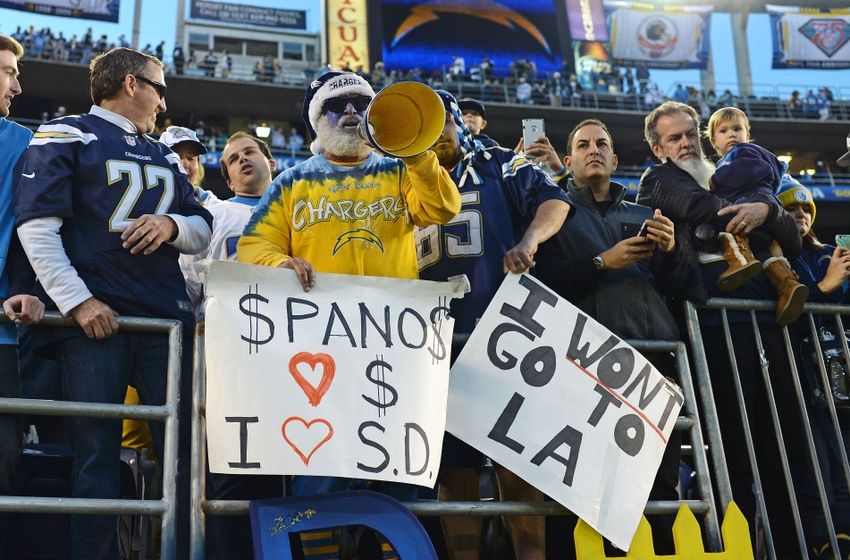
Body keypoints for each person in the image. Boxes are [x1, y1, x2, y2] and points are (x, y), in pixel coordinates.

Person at [13, 47, 212, 559]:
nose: (164, 101)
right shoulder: (67, 132)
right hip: (94, 323)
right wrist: (79, 303)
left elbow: (202, 228)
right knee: (94, 455)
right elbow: (37, 229)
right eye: (159, 88)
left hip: (164, 320)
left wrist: (172, 225)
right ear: (131, 84)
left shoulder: (165, 153)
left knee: (185, 455)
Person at [637, 100, 809, 556]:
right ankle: (739, 548)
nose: (687, 142)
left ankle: (793, 547)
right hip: (712, 328)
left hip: (770, 325)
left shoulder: (725, 172)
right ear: (659, 149)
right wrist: (758, 208)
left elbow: (793, 237)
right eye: (675, 138)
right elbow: (698, 208)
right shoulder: (658, 181)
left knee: (785, 444)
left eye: (692, 133)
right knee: (732, 447)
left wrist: (769, 214)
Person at [417, 91, 571, 559]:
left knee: (518, 465)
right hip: (430, 343)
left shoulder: (500, 161)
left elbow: (555, 202)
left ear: (459, 123)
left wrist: (528, 241)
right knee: (452, 475)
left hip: (501, 334)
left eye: (442, 122)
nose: (436, 134)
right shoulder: (402, 176)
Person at [532, 119, 681, 554]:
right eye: (583, 144)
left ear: (615, 159)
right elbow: (540, 279)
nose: (593, 149)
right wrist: (601, 262)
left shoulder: (647, 216)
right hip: (584, 370)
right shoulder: (553, 214)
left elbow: (685, 286)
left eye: (602, 144)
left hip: (653, 368)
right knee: (579, 488)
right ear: (570, 160)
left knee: (658, 490)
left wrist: (672, 251)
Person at [238, 70, 460, 290]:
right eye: (336, 105)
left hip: (392, 318)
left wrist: (415, 153)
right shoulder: (291, 182)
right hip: (317, 317)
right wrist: (279, 263)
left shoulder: (401, 171)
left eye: (362, 103)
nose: (351, 110)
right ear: (319, 120)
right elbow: (255, 244)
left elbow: (443, 209)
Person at [777, 180, 850, 558]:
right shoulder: (775, 257)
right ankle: (824, 538)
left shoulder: (829, 253)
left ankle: (844, 534)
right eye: (790, 210)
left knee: (843, 456)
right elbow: (787, 309)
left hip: (840, 370)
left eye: (805, 210)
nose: (800, 215)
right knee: (813, 460)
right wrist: (824, 288)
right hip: (799, 371)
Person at [0, 33, 46, 558]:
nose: (16, 83)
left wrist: (28, 288)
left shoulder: (24, 143)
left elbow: (39, 227)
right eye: (8, 71)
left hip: (3, 339)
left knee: (4, 462)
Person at [705, 106, 808, 325]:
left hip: (750, 200)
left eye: (737, 129)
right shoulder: (742, 156)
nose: (732, 134)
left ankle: (740, 262)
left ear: (748, 136)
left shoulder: (743, 153)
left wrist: (716, 181)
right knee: (772, 252)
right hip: (764, 206)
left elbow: (745, 171)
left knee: (730, 227)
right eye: (723, 131)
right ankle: (787, 285)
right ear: (714, 141)